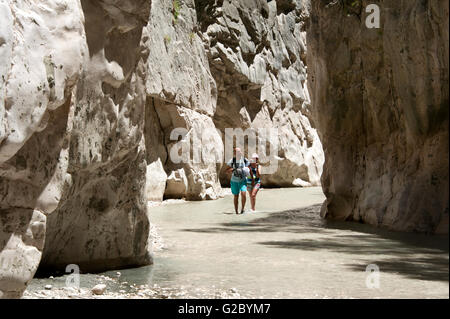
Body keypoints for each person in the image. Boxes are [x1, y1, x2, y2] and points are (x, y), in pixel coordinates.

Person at [226, 148, 249, 214]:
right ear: (235, 153)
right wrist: (233, 169)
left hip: (243, 180)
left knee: (243, 193)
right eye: (237, 152)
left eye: (239, 151)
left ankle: (242, 209)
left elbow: (249, 166)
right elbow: (226, 171)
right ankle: (236, 212)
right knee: (236, 196)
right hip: (234, 181)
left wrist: (246, 170)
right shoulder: (232, 160)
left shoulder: (244, 159)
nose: (239, 153)